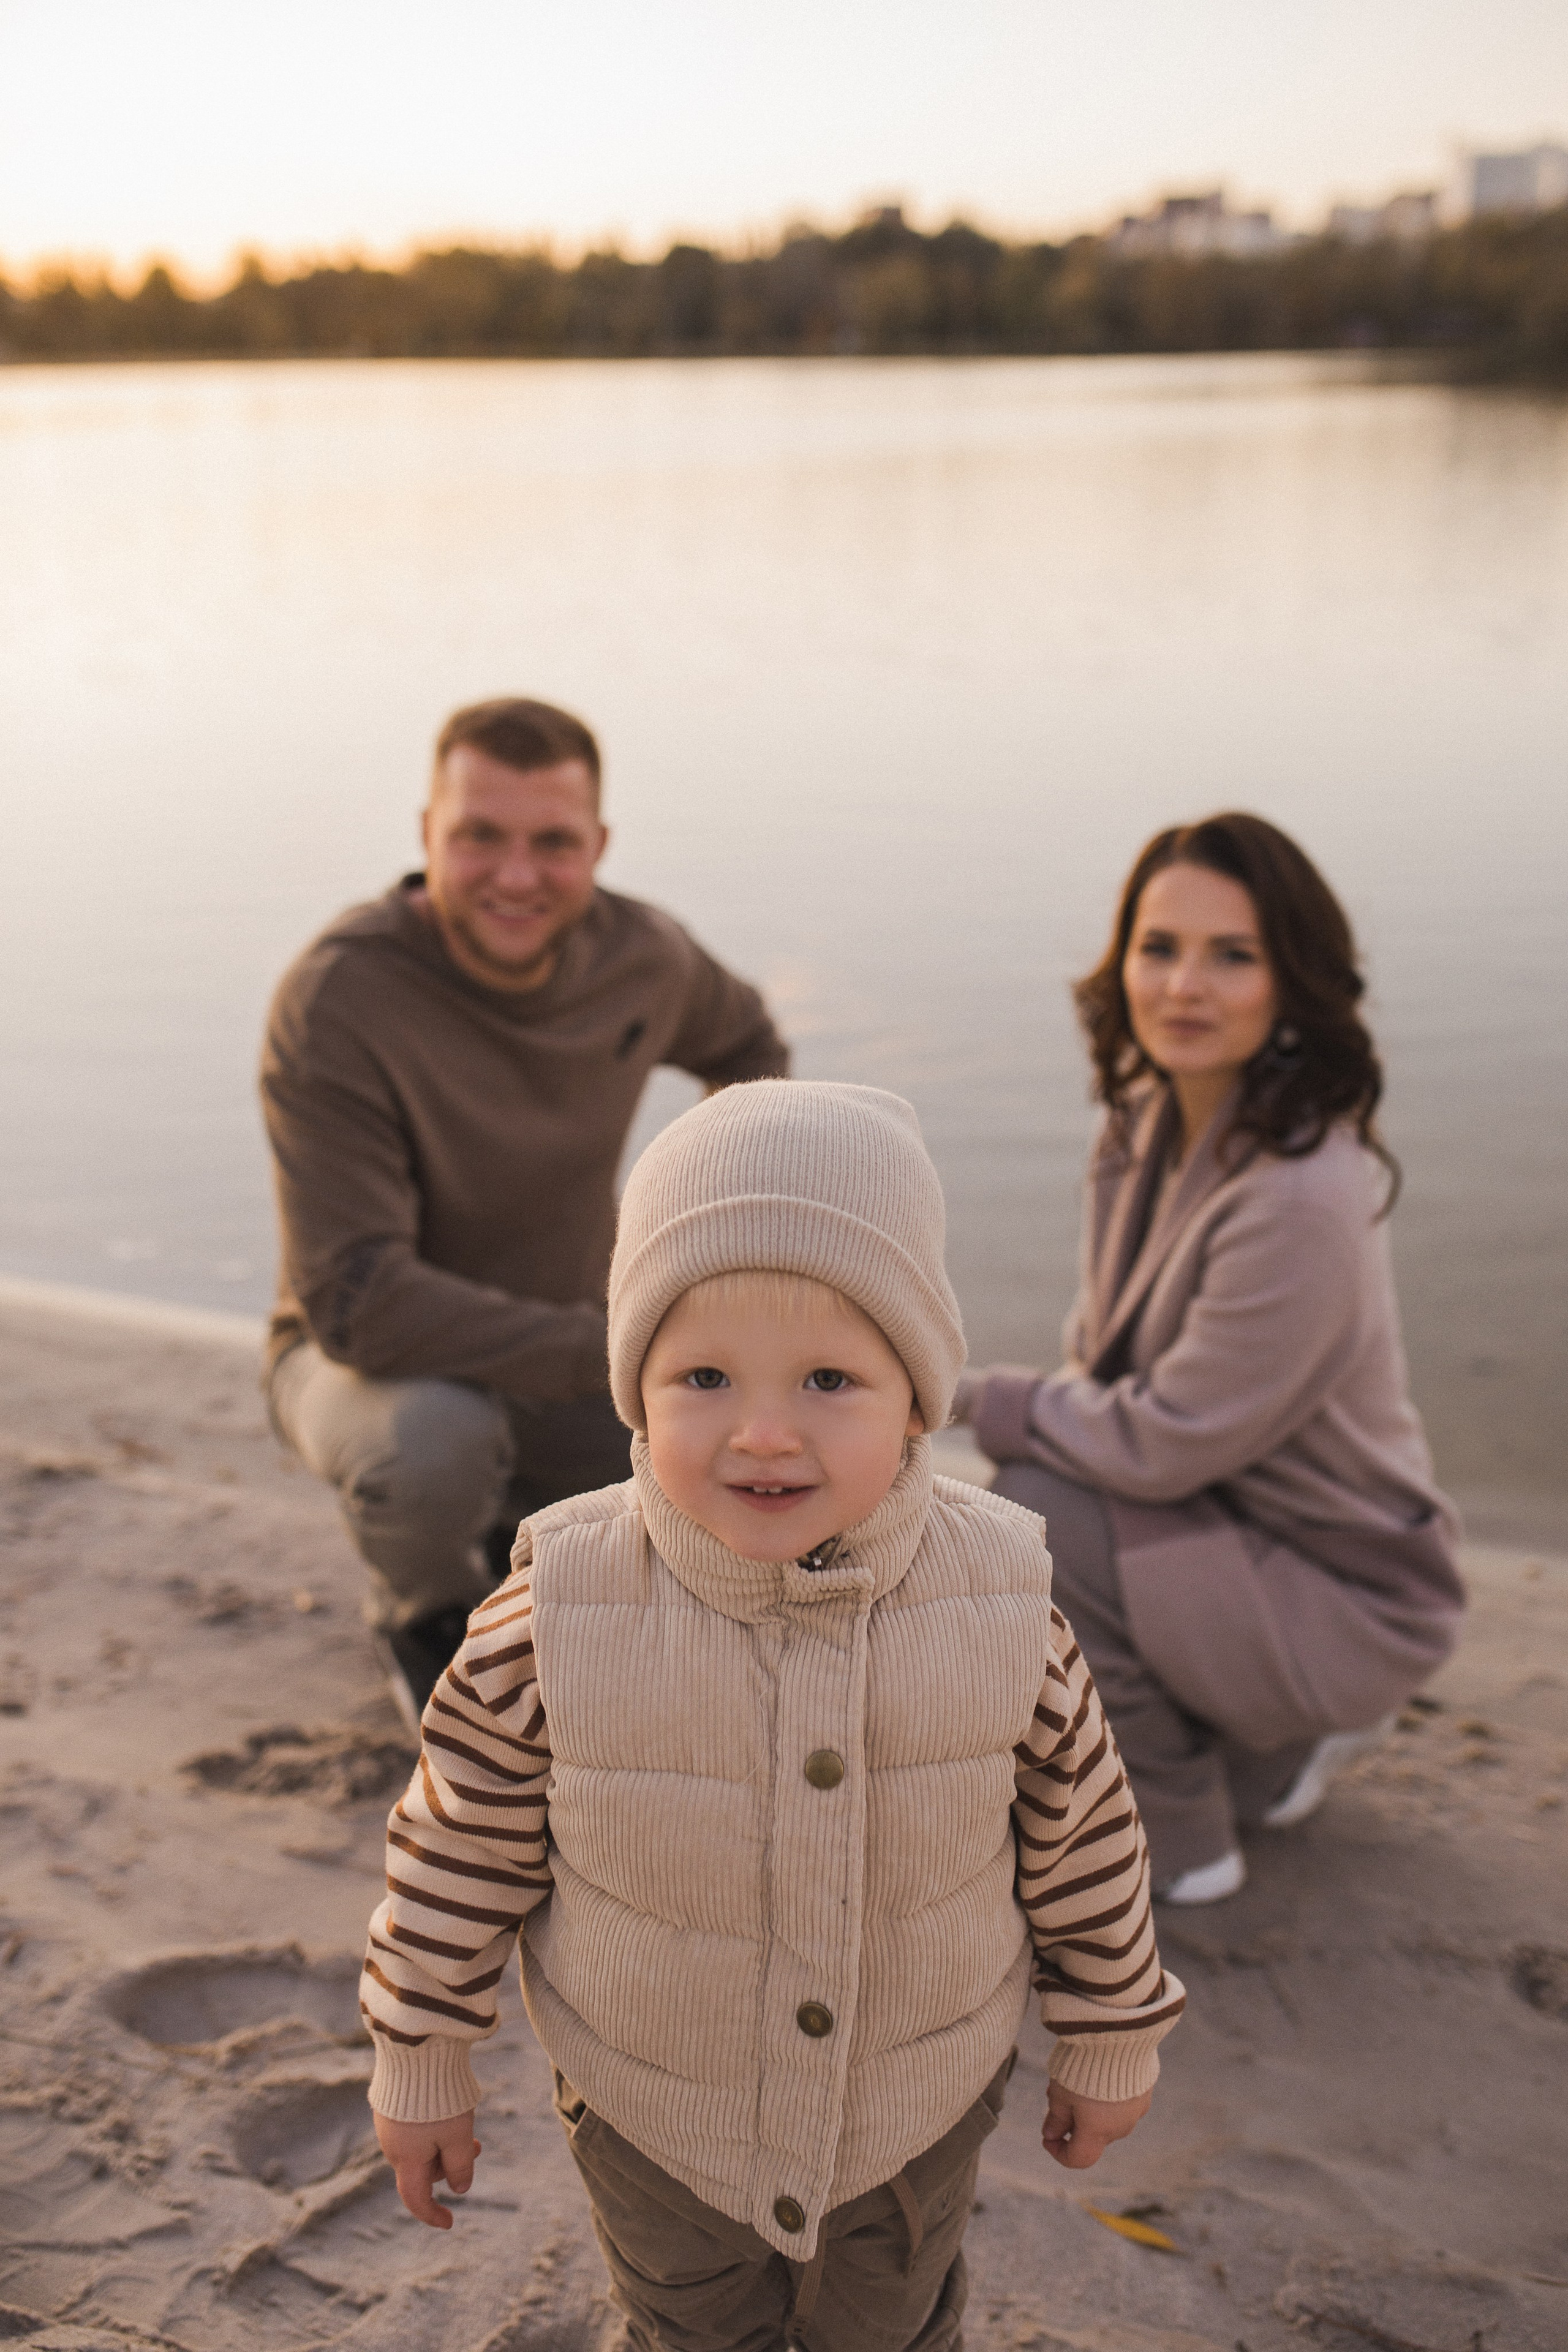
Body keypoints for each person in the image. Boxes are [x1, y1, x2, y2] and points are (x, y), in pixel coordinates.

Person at [360, 1081, 1184, 2352]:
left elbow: (1084, 1841)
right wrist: (420, 2059)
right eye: (702, 1374)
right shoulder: (559, 1602)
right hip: (654, 2112)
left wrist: (1110, 2032)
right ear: (634, 1390)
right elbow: (457, 1849)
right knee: (685, 2329)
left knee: (892, 2327)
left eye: (826, 1379)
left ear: (915, 1396)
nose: (761, 1433)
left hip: (914, 2103)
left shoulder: (1003, 1601)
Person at [957, 814, 1464, 1907]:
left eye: (1232, 955)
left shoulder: (1301, 1196)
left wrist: (961, 1396)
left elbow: (1158, 1441)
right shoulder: (1145, 1120)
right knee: (1044, 1494)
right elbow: (1101, 1372)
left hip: (1347, 1590)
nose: (1185, 984)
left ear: (1294, 980)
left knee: (1036, 1514)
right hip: (1231, 1538)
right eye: (1160, 947)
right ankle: (1267, 1760)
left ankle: (1177, 1840)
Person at [260, 696, 788, 1727]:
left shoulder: (644, 957)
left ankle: (538, 1530)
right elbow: (358, 1302)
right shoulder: (339, 1000)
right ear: (427, 836)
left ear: (598, 846)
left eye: (553, 843)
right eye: (480, 837)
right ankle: (421, 1613)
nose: (516, 875)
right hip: (373, 1364)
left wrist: (699, 1239)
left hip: (572, 1339)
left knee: (749, 1468)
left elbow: (750, 1048)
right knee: (429, 1448)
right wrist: (618, 1350)